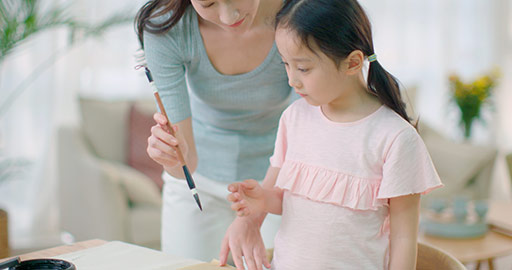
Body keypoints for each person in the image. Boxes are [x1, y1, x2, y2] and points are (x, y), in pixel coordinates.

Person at [226, 0, 444, 269]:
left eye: (303, 68)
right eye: (285, 64)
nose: (292, 79)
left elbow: (403, 238)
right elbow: (284, 199)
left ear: (352, 63)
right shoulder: (293, 119)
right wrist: (261, 199)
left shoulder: (395, 138)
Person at [135, 0, 294, 266]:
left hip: (278, 180)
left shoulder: (304, 11)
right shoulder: (166, 27)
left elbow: (314, 127)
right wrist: (174, 159)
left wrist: (259, 208)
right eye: (208, 3)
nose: (228, 16)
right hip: (199, 181)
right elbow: (188, 161)